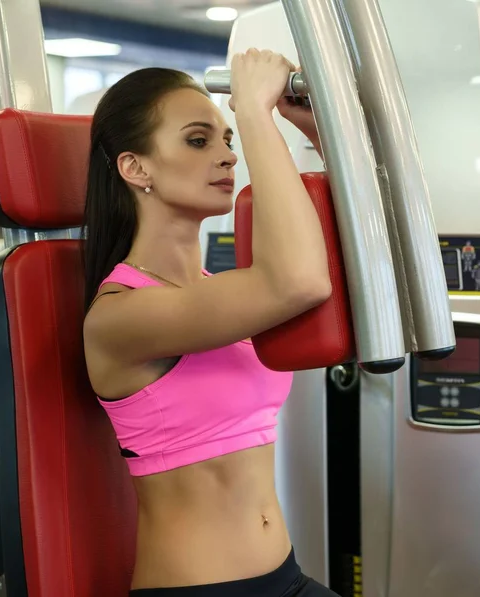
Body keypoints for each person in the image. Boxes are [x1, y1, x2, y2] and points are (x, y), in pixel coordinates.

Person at [82, 49, 338, 596]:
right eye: (199, 140)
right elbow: (298, 281)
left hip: (287, 578)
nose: (227, 156)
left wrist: (321, 137)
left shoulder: (213, 291)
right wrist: (251, 111)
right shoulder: (122, 315)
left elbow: (341, 270)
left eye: (227, 139)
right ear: (136, 168)